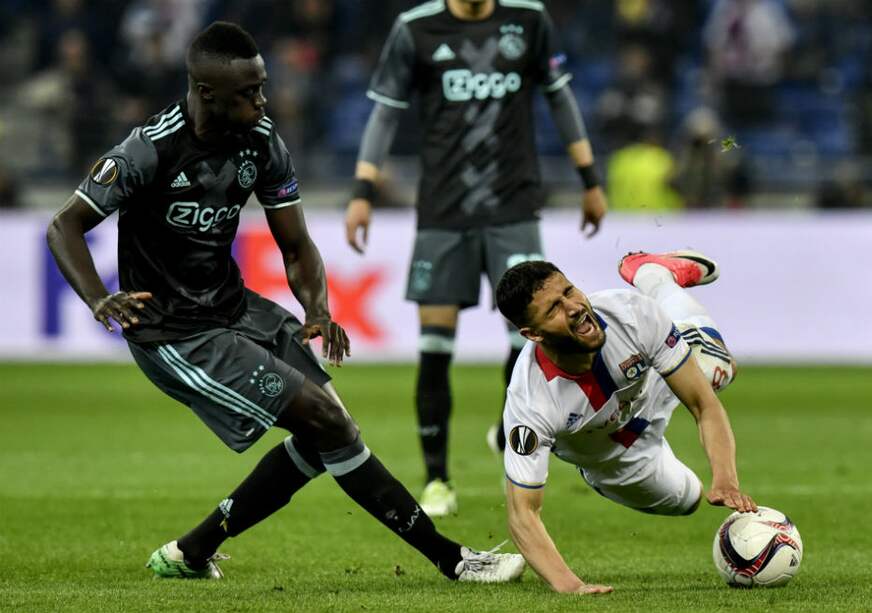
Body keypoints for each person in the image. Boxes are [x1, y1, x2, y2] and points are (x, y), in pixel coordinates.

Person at [45, 21, 525, 584]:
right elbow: (64, 227)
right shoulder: (148, 149)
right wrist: (99, 299)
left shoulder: (261, 141)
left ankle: (191, 552)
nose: (262, 99)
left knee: (330, 428)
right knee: (329, 425)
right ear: (206, 93)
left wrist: (317, 307)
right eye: (248, 92)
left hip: (235, 308)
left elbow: (295, 245)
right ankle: (453, 560)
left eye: (261, 86)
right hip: (176, 333)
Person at [344, 0, 608, 517]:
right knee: (434, 344)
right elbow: (384, 114)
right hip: (444, 212)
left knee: (533, 334)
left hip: (513, 207)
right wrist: (362, 190)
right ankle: (438, 479)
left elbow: (560, 98)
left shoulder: (528, 21)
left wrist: (590, 178)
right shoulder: (414, 29)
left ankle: (507, 432)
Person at [494, 251, 758, 593]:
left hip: (653, 386)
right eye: (553, 309)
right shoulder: (530, 401)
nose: (573, 306)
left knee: (717, 368)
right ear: (533, 334)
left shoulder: (629, 314)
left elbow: (703, 405)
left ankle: (653, 276)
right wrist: (570, 585)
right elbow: (522, 514)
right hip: (615, 460)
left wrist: (725, 479)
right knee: (687, 500)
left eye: (569, 291)